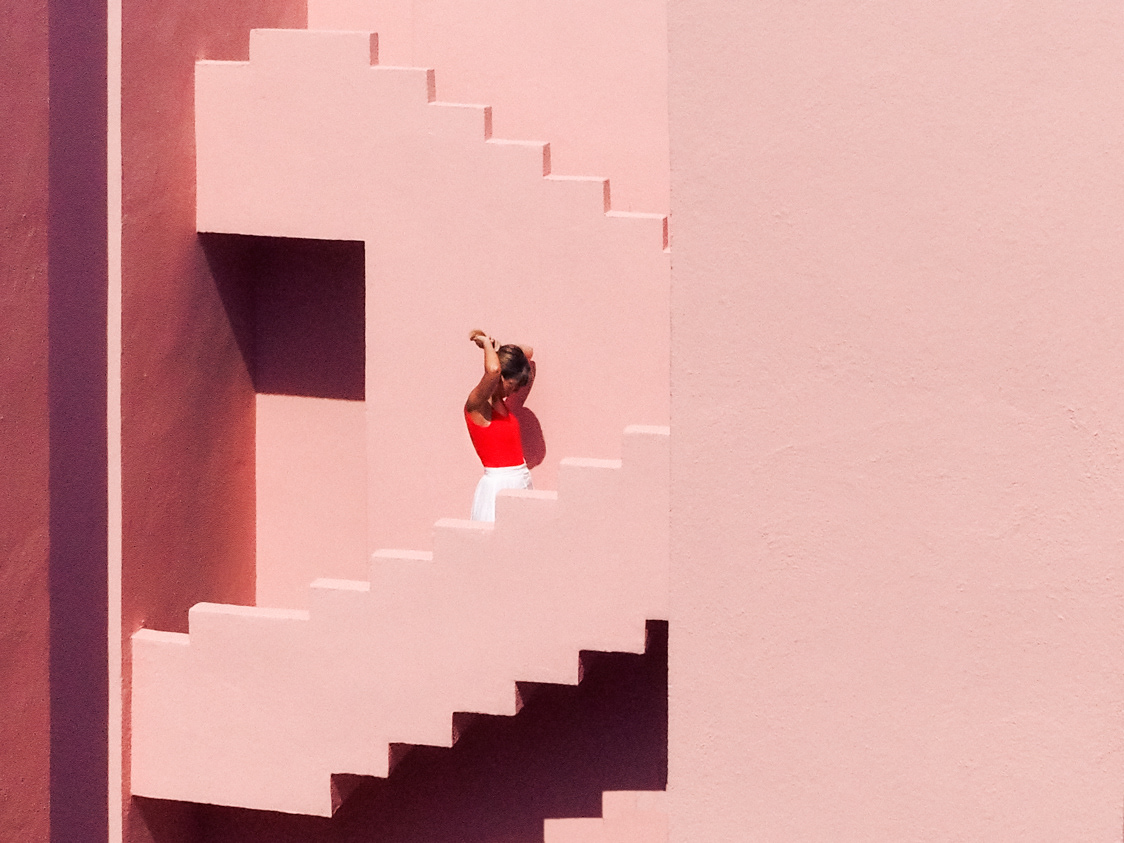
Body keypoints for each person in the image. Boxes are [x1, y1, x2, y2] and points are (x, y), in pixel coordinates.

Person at [464, 329, 534, 521]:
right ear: (500, 377)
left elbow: (528, 351)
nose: (514, 392)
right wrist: (486, 343)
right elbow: (493, 370)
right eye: (512, 385)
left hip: (520, 479)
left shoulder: (500, 404)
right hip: (498, 485)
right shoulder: (477, 405)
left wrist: (499, 350)